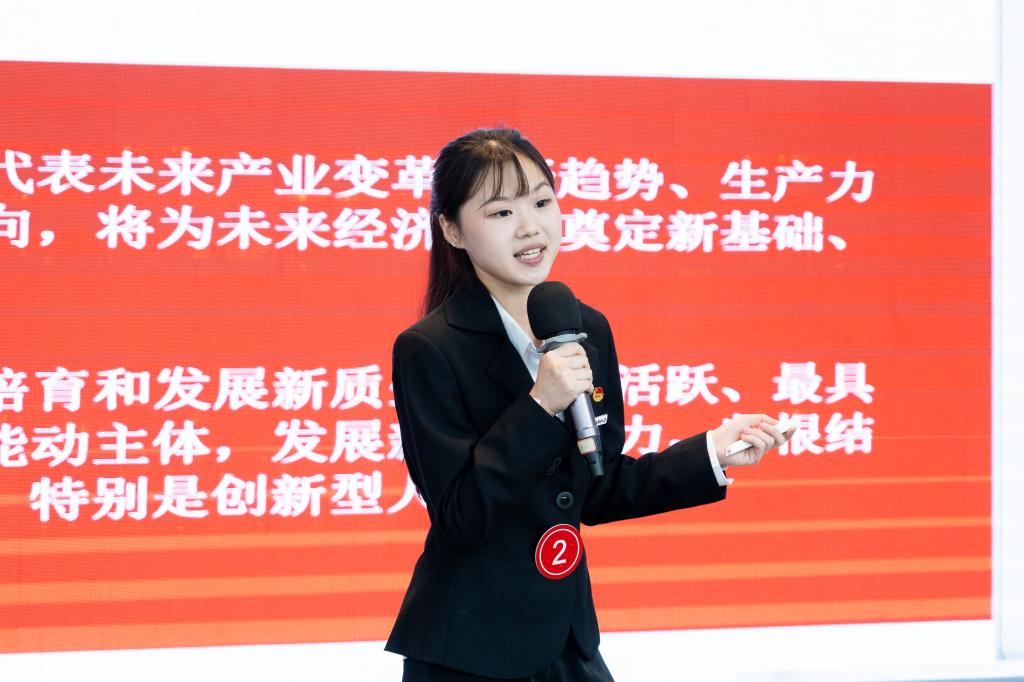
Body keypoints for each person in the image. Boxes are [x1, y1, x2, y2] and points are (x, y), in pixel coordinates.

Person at [385, 128, 794, 681]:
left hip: (567, 638)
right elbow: (461, 516)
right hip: (468, 647)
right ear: (452, 230)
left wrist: (709, 454)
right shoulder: (430, 349)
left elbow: (594, 488)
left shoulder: (585, 328)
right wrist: (539, 405)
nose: (530, 227)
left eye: (541, 202)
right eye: (501, 212)